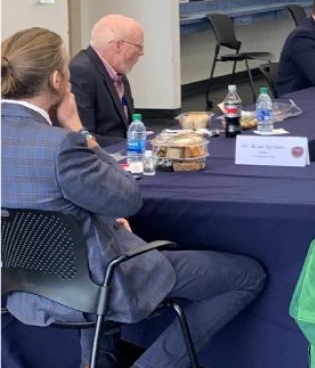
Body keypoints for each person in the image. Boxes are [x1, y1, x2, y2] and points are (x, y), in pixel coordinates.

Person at [1, 27, 265, 368]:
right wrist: (79, 130)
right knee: (247, 276)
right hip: (99, 284)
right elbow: (127, 198)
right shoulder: (61, 146)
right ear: (55, 80)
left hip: (24, 288)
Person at [69, 14, 144, 146]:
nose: (142, 52)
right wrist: (132, 142)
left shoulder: (117, 69)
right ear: (118, 45)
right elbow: (83, 134)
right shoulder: (80, 72)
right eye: (139, 46)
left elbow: (127, 126)